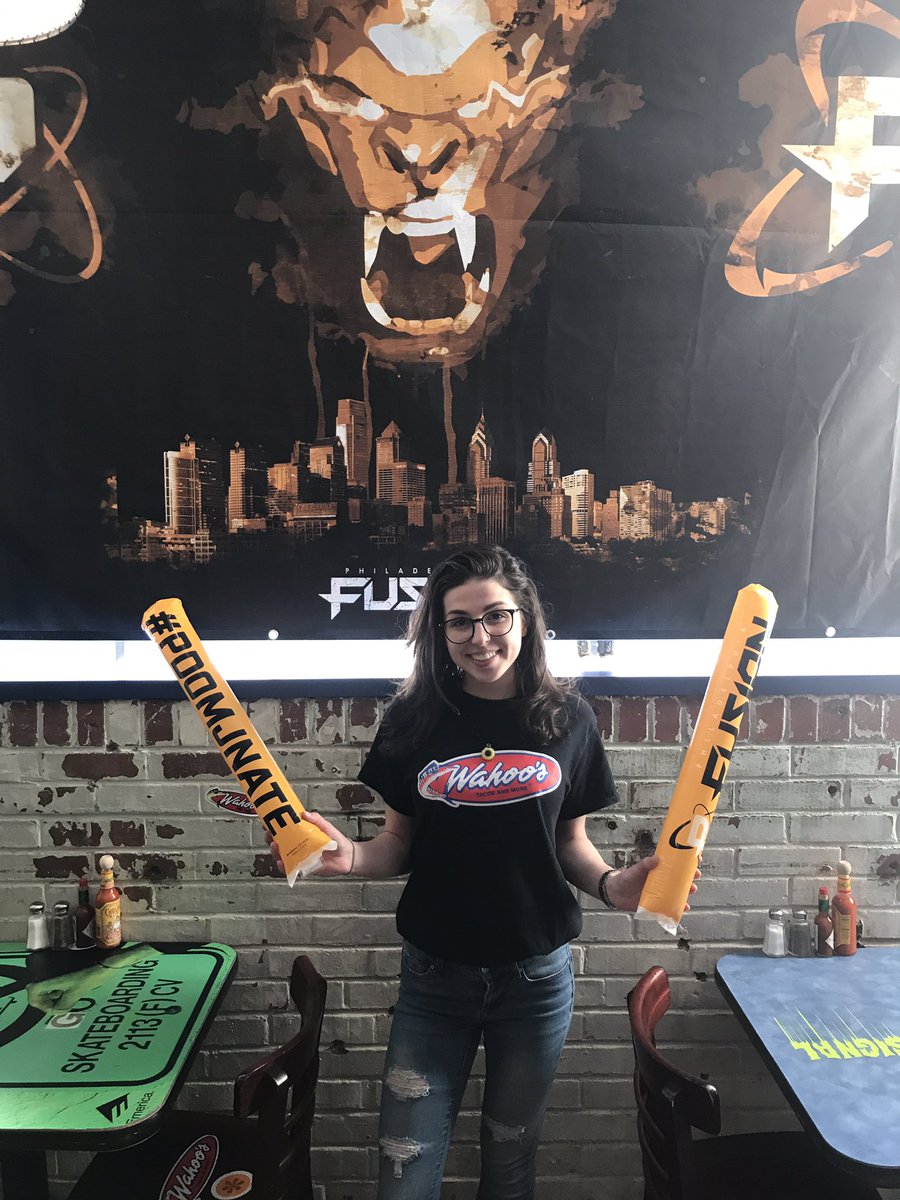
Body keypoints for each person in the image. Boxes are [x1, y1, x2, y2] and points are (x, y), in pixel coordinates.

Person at [269, 544, 698, 1199]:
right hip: (435, 980)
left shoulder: (567, 719)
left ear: (524, 617)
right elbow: (398, 842)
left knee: (509, 1167)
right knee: (403, 1171)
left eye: (496, 616)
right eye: (460, 622)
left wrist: (613, 886)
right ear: (439, 633)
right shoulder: (413, 719)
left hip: (535, 981)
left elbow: (569, 844)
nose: (480, 636)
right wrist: (348, 856)